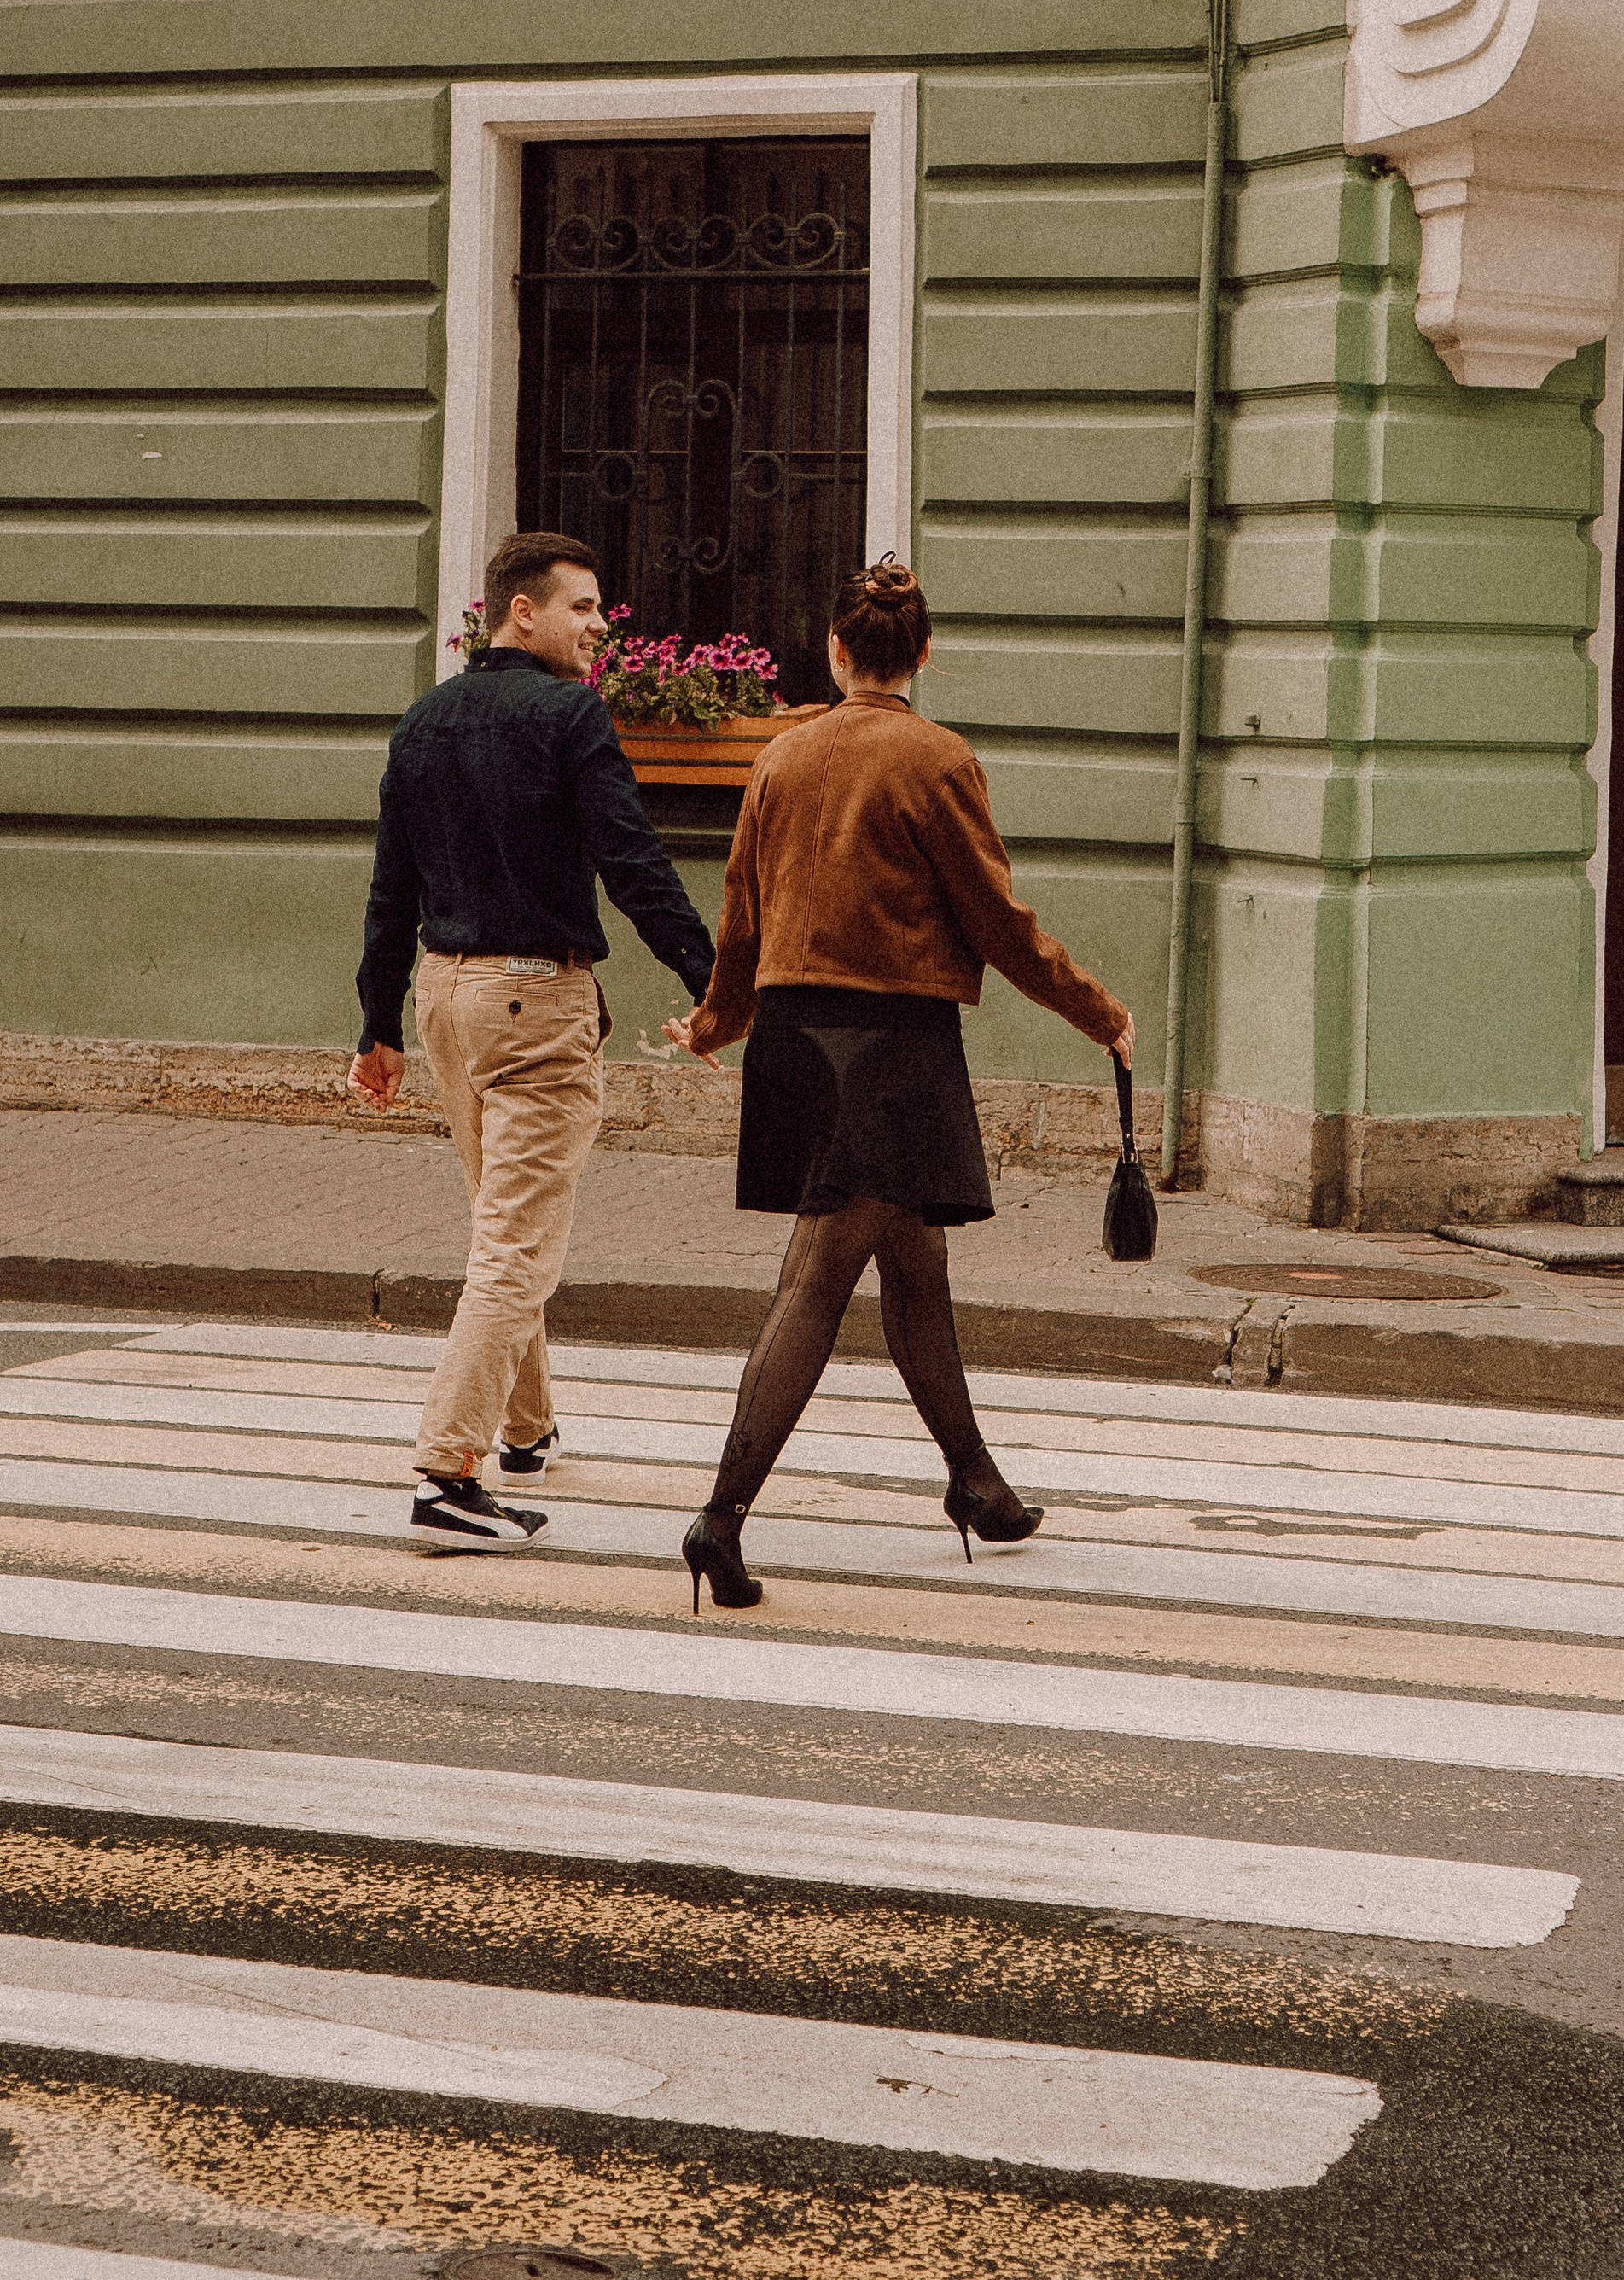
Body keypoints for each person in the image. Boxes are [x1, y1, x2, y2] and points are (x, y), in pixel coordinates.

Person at [663, 556, 1132, 1611]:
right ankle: (721, 1517)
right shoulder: (938, 758)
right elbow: (994, 921)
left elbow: (741, 911)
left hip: (794, 1036)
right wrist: (1099, 1013)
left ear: (835, 652)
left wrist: (715, 1022)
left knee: (911, 1259)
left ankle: (977, 1485)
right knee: (818, 1280)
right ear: (921, 654)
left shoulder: (782, 758)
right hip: (891, 1041)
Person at [352, 529, 718, 1548]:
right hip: (533, 1002)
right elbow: (632, 860)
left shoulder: (423, 721)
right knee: (515, 1244)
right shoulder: (567, 715)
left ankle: (526, 1429)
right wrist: (713, 980)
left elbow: (392, 887)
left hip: (444, 1000)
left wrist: (376, 1027)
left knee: (498, 1219)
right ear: (524, 610)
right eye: (585, 608)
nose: (601, 628)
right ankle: (444, 1469)